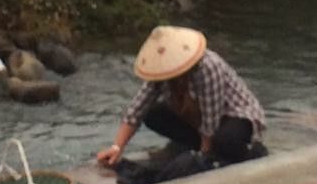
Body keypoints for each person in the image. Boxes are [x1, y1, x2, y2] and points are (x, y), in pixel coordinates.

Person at [96, 25, 266, 170]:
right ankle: (194, 146)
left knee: (224, 141)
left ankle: (247, 153)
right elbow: (137, 109)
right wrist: (117, 147)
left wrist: (203, 155)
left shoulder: (207, 67)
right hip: (198, 118)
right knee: (153, 113)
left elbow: (210, 120)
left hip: (233, 114)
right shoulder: (162, 74)